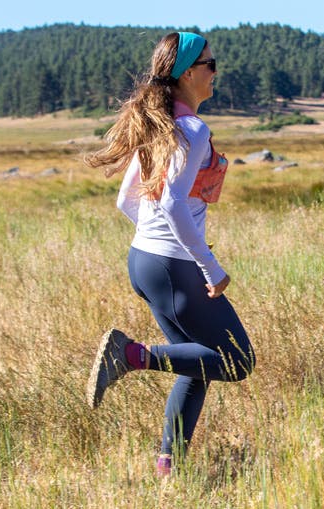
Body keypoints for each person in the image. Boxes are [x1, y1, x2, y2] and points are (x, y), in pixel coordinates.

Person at [85, 31, 255, 476]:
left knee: (197, 363)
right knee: (237, 360)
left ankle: (168, 467)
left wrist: (161, 245)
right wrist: (207, 264)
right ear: (188, 73)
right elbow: (172, 202)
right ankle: (131, 356)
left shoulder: (161, 124)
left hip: (144, 262)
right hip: (170, 264)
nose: (216, 72)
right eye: (211, 65)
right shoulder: (192, 128)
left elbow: (127, 200)